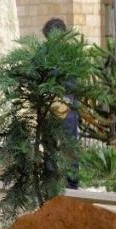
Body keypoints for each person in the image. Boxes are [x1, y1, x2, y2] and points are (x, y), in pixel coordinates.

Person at [42, 17, 80, 189]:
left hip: (62, 107)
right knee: (55, 148)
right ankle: (59, 185)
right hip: (58, 107)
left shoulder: (64, 54)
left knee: (66, 149)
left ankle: (67, 186)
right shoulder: (50, 53)